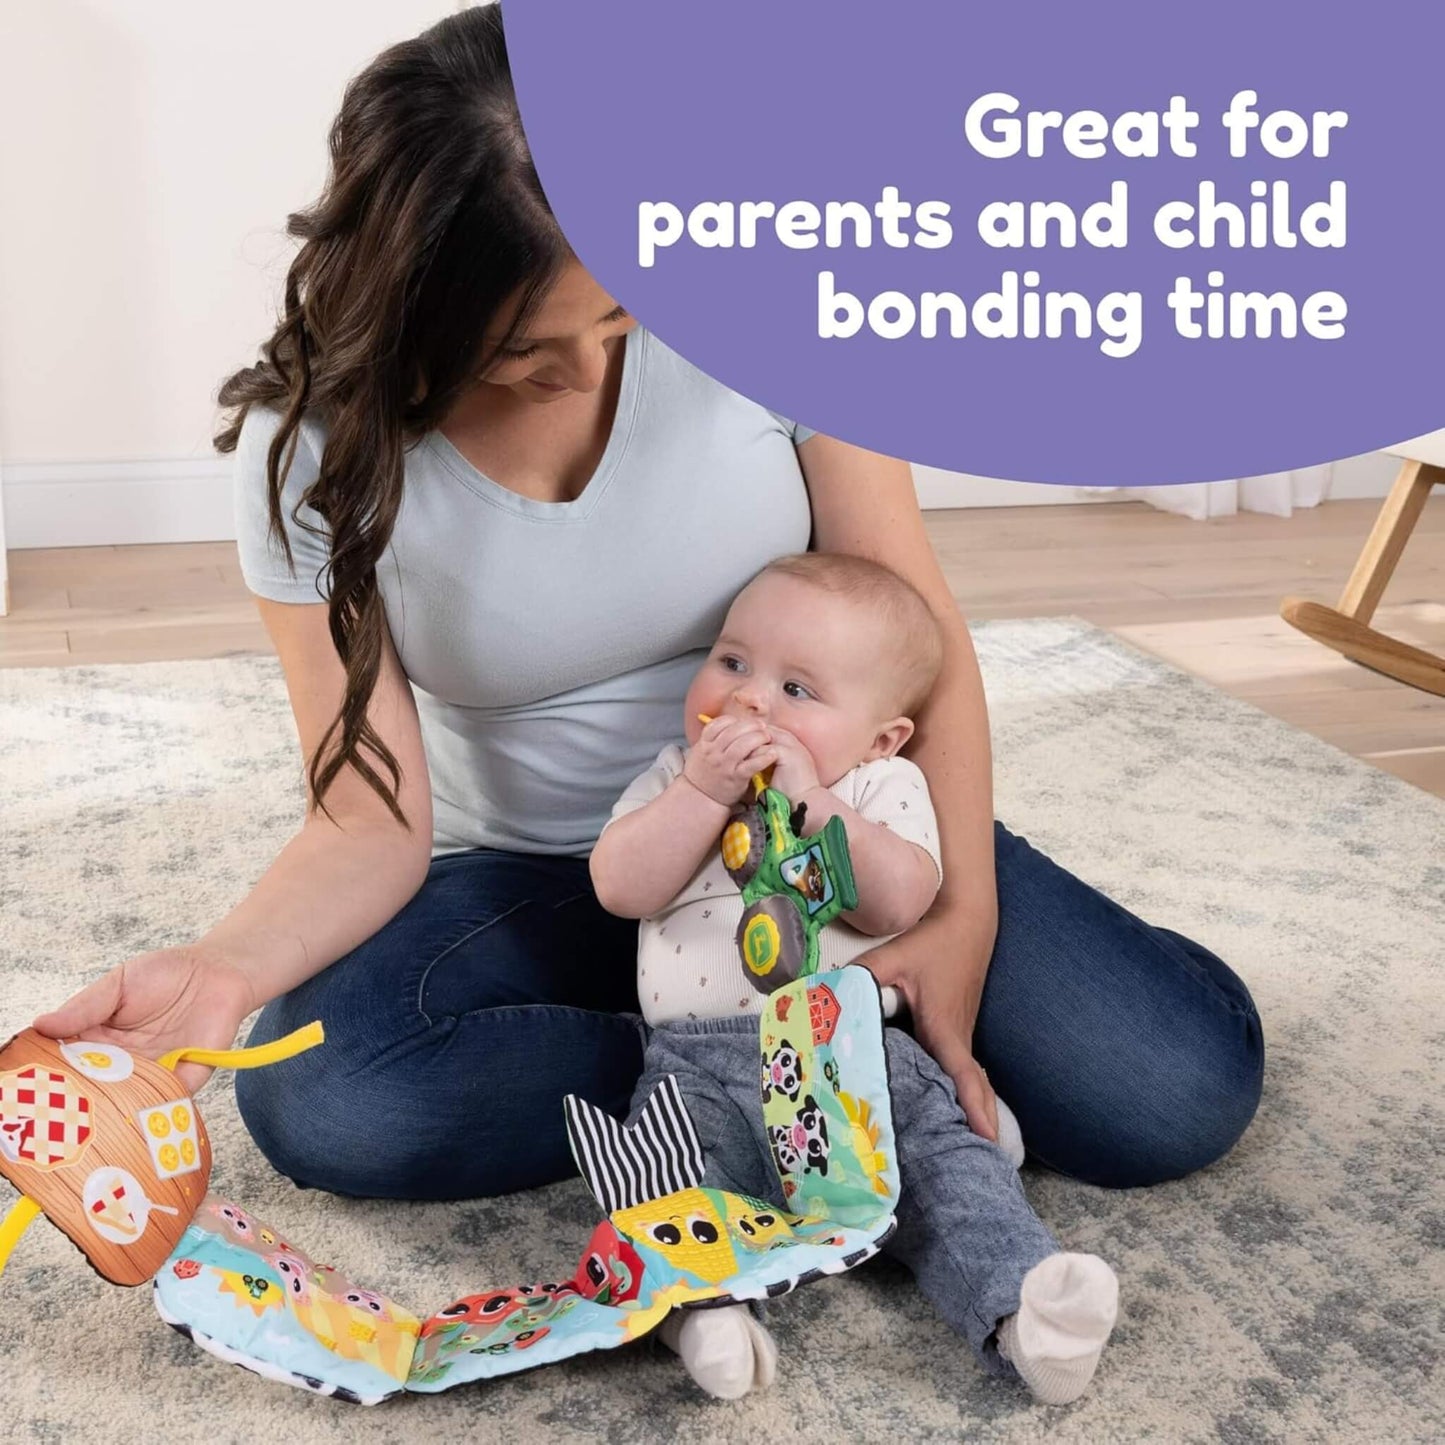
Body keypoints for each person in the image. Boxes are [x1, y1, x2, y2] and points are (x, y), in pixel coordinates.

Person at [33, 7, 1262, 1208]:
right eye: (523, 353)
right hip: (540, 871)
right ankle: (741, 1067)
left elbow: (916, 634)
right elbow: (365, 816)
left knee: (1171, 1088)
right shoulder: (306, 449)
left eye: (617, 318)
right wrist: (221, 967)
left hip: (815, 841)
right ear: (412, 303)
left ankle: (754, 1056)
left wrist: (962, 918)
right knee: (336, 1095)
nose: (583, 373)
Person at [589, 553, 1118, 1404]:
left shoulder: (877, 784)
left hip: (852, 1050)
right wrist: (698, 791)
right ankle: (701, 1309)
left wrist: (812, 801)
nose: (752, 698)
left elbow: (904, 898)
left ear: (882, 735)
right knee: (671, 1171)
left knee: (948, 1165)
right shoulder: (673, 775)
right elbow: (620, 886)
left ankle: (1025, 1312)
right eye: (733, 662)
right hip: (698, 1060)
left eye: (798, 690)